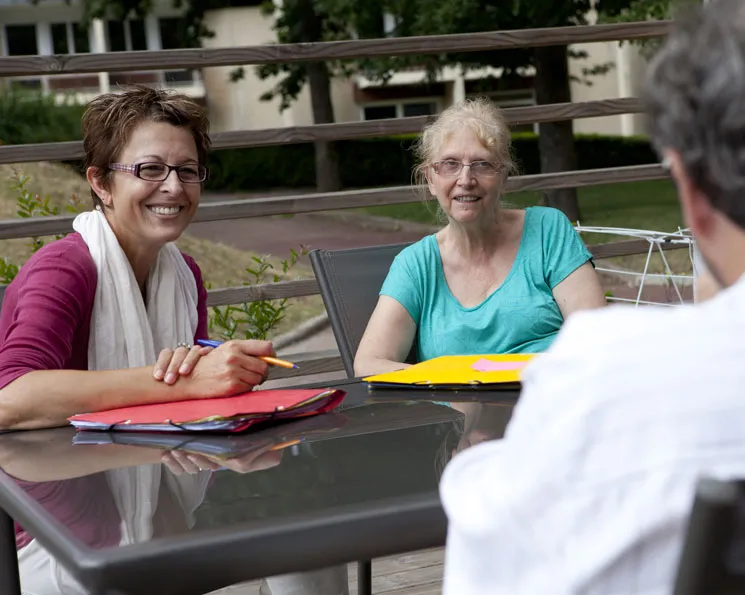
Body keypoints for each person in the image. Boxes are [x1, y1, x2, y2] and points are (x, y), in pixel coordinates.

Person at [439, 1, 745, 593]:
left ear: (689, 185)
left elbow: (488, 571)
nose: (466, 179)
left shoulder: (612, 372)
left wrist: (478, 467)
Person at [0, 85, 274, 431]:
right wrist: (185, 382)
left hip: (158, 455)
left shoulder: (185, 274)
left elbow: (194, 401)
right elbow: (8, 399)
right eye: (150, 169)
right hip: (51, 471)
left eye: (187, 170)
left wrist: (226, 372)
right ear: (101, 183)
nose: (174, 187)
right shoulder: (64, 268)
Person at [354, 98, 606, 376]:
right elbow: (369, 364)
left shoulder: (548, 231)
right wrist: (458, 382)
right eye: (450, 164)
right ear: (430, 179)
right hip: (463, 413)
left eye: (482, 164)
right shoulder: (416, 266)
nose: (465, 179)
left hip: (551, 404)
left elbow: (596, 338)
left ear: (503, 176)